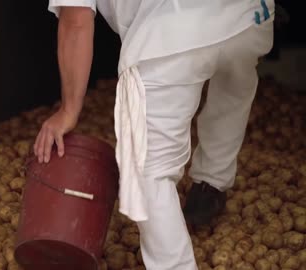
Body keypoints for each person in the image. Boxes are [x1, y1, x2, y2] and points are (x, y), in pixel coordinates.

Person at [33, 0, 275, 269]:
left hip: (173, 35)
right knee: (233, 88)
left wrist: (69, 109)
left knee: (149, 166)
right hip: (248, 18)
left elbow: (76, 20)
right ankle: (212, 183)